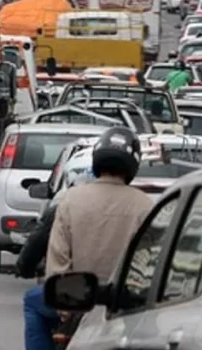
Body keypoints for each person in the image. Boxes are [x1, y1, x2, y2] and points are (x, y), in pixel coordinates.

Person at [23, 127, 153, 350]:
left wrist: (64, 306)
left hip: (77, 297)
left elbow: (58, 262)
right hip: (126, 303)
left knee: (31, 302)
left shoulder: (71, 200)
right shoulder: (145, 205)